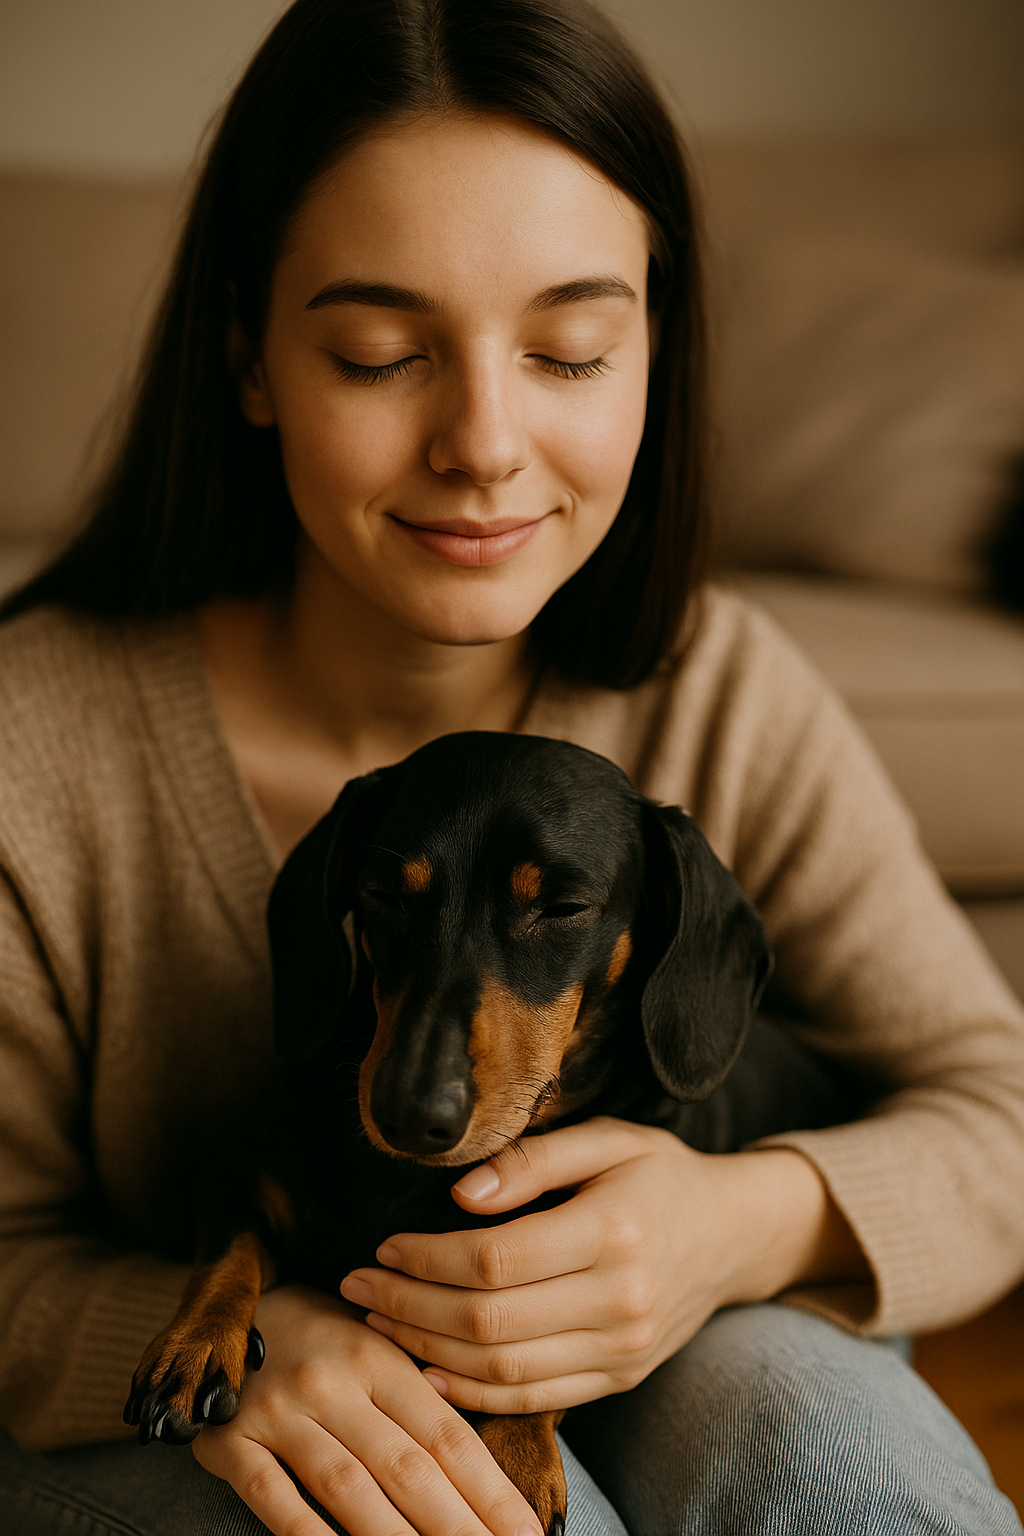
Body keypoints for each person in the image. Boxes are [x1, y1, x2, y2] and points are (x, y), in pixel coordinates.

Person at [0, 2, 1022, 1533]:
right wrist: (253, 1335)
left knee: (839, 1463)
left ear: (652, 354)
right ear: (250, 355)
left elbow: (1001, 1111)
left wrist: (728, 1228)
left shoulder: (720, 685)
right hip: (186, 1384)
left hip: (658, 1323)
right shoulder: (32, 744)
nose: (483, 443)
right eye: (380, 352)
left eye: (570, 350)